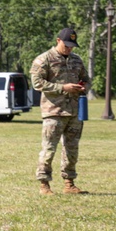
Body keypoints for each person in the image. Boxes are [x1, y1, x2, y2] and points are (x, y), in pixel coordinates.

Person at [30, 27, 91, 195]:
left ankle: (69, 183)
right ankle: (44, 185)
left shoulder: (77, 60)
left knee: (72, 149)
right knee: (49, 149)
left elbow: (86, 79)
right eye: (67, 45)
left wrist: (84, 86)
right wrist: (63, 87)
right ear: (58, 41)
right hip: (53, 111)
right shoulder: (44, 60)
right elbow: (37, 83)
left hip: (74, 111)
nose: (69, 48)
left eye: (72, 45)